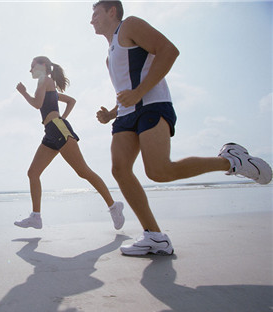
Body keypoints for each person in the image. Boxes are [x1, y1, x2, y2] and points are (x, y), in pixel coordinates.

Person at [90, 0, 272, 256]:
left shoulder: (130, 25)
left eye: (95, 13)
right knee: (120, 170)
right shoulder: (108, 56)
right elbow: (125, 90)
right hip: (126, 116)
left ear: (112, 11)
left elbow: (169, 50)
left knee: (159, 171)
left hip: (152, 105)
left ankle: (230, 160)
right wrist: (111, 113)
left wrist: (140, 92)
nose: (91, 20)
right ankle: (154, 236)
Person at [15, 56, 125, 230]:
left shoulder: (44, 80)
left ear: (43, 66)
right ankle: (36, 217)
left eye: (32, 66)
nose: (30, 70)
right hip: (51, 131)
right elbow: (71, 100)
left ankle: (114, 207)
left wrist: (23, 92)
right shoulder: (48, 83)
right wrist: (61, 119)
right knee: (33, 172)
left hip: (57, 128)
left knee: (83, 171)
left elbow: (37, 104)